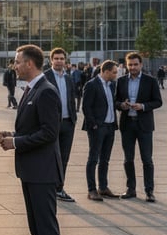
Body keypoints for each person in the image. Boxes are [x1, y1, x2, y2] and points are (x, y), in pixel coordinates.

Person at [0, 44, 64, 235]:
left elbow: (50, 133)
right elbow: (34, 128)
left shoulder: (46, 91)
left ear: (30, 63)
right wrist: (14, 136)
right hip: (30, 170)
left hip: (43, 172)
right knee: (36, 229)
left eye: (17, 61)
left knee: (47, 230)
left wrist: (16, 143)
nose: (14, 66)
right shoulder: (32, 89)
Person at [115, 52, 163, 202]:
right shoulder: (121, 81)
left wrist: (142, 106)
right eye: (130, 65)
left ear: (141, 64)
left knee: (147, 159)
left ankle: (149, 191)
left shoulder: (150, 81)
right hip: (127, 124)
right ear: (126, 65)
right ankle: (131, 189)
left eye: (135, 64)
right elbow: (115, 101)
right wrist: (122, 105)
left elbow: (158, 101)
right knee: (128, 159)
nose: (133, 67)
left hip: (144, 125)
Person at [81, 60, 119, 201]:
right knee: (93, 159)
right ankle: (91, 190)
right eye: (114, 72)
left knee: (105, 159)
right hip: (98, 128)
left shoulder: (112, 85)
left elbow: (112, 103)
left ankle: (103, 187)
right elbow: (86, 107)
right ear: (106, 71)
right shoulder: (91, 85)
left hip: (110, 127)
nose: (116, 75)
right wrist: (95, 125)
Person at [44, 48, 78, 203]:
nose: (59, 61)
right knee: (51, 157)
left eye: (61, 58)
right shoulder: (45, 77)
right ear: (51, 60)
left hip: (68, 123)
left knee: (64, 157)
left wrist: (73, 119)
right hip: (52, 124)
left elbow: (72, 99)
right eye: (56, 58)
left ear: (65, 61)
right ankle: (48, 188)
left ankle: (59, 188)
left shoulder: (69, 78)